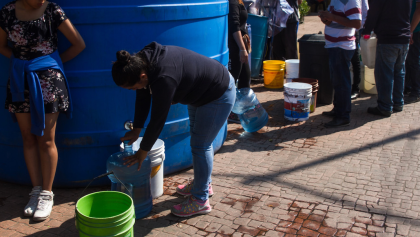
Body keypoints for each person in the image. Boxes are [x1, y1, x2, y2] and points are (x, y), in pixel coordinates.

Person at [112, 42, 236, 217]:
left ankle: (200, 200)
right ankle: (203, 184)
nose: (133, 90)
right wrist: (137, 129)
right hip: (199, 94)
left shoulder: (163, 77)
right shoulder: (140, 62)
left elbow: (157, 120)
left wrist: (143, 151)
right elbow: (142, 94)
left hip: (217, 94)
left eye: (132, 87)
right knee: (197, 142)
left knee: (201, 145)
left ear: (142, 76)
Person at [0, 0, 85, 221]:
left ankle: (47, 194)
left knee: (46, 139)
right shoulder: (7, 13)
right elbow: (1, 46)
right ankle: (35, 191)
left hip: (48, 82)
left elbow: (78, 44)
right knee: (27, 137)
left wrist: (51, 64)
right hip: (20, 79)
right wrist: (23, 64)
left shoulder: (52, 10)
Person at [362, 0, 411, 116]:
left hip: (388, 38)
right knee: (399, 72)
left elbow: (373, 13)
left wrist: (366, 31)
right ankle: (398, 103)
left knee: (385, 74)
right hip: (404, 38)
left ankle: (385, 106)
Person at [319, 0, 361, 128]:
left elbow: (357, 23)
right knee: (337, 81)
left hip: (341, 47)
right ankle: (338, 110)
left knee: (342, 83)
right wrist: (326, 19)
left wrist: (332, 17)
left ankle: (343, 116)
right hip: (334, 46)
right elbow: (335, 21)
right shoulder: (335, 1)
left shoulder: (351, 1)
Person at [228, 0, 251, 123]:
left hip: (240, 45)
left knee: (245, 76)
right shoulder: (232, 1)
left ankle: (241, 108)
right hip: (234, 46)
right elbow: (234, 25)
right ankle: (229, 112)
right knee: (232, 79)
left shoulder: (239, 1)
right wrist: (242, 49)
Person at [350, 0, 368, 100]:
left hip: (354, 31)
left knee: (355, 61)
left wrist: (361, 28)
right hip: (341, 33)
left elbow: (366, 11)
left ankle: (355, 89)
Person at [404, 0, 420, 104]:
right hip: (411, 29)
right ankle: (408, 88)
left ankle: (416, 91)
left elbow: (419, 10)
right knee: (409, 60)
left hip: (416, 30)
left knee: (414, 61)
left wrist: (411, 30)